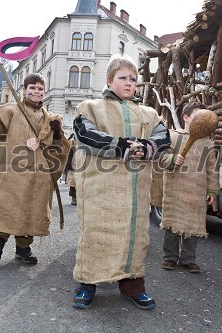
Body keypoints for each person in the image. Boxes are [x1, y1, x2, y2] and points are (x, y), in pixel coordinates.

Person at [71, 54, 171, 310]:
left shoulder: (148, 113)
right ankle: (87, 285)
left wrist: (147, 147)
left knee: (135, 239)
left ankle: (132, 288)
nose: (129, 83)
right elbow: (85, 135)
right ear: (109, 80)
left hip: (136, 192)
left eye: (133, 79)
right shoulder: (90, 107)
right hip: (100, 190)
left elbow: (163, 137)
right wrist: (123, 145)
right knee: (96, 234)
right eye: (123, 78)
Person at [0, 73, 69, 271]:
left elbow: (59, 148)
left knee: (31, 211)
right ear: (24, 90)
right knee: (5, 209)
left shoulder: (50, 118)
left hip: (38, 174)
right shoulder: (10, 110)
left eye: (40, 89)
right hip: (11, 172)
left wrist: (58, 133)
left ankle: (23, 249)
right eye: (32, 88)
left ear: (45, 92)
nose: (36, 92)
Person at [158, 102, 219, 273]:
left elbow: (211, 169)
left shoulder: (207, 143)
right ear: (186, 117)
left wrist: (212, 191)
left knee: (194, 225)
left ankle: (188, 259)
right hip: (175, 189)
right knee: (172, 225)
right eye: (198, 116)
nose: (202, 120)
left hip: (196, 192)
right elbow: (161, 158)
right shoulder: (173, 136)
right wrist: (172, 159)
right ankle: (169, 257)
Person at [64, 134, 77, 205]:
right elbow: (69, 153)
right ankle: (74, 198)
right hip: (74, 164)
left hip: (84, 163)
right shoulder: (72, 141)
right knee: (73, 182)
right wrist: (68, 164)